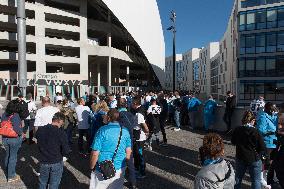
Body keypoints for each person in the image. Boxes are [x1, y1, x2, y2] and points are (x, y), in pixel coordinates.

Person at [89, 109, 132, 189]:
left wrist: (92, 167)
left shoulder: (102, 130)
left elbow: (95, 153)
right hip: (119, 167)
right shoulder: (125, 131)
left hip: (102, 167)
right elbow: (128, 151)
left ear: (108, 118)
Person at [231, 111, 266, 189]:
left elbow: (233, 142)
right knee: (256, 180)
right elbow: (262, 147)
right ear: (252, 120)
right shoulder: (256, 131)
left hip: (240, 156)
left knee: (238, 179)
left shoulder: (237, 129)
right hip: (254, 158)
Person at [36, 112, 70, 189]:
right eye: (63, 122)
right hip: (56, 161)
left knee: (42, 182)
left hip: (43, 160)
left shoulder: (40, 129)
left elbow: (38, 139)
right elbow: (66, 150)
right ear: (60, 121)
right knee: (54, 184)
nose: (63, 124)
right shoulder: (61, 133)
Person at [256, 102, 278, 189]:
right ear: (269, 109)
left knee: (273, 162)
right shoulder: (263, 117)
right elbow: (261, 131)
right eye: (273, 109)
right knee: (265, 162)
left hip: (275, 143)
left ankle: (270, 178)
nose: (275, 110)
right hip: (266, 144)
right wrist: (272, 132)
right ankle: (262, 179)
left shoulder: (274, 117)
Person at [1, 100, 23, 182]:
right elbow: (17, 128)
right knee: (13, 157)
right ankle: (11, 176)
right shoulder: (15, 115)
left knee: (8, 155)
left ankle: (8, 171)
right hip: (13, 138)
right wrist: (21, 134)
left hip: (4, 137)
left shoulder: (4, 114)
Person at [117, 98, 137, 188]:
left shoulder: (116, 115)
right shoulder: (131, 114)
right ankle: (133, 182)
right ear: (126, 105)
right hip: (129, 139)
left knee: (117, 159)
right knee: (130, 160)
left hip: (119, 139)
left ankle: (115, 181)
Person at [131, 97, 149, 178]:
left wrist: (147, 132)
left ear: (135, 104)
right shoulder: (140, 109)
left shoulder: (139, 113)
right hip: (137, 136)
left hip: (140, 137)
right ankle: (137, 168)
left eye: (132, 103)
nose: (131, 104)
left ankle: (142, 172)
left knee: (140, 155)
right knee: (136, 153)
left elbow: (144, 126)